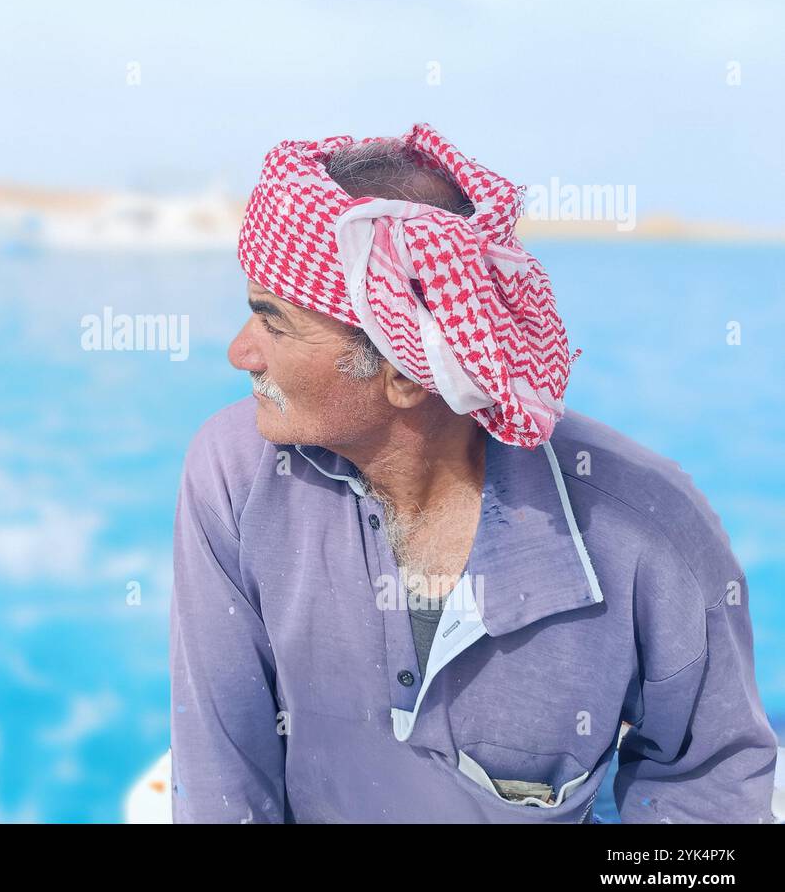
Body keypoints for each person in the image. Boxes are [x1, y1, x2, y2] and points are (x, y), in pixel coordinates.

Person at [169, 124, 778, 823]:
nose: (238, 352)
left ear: (401, 372)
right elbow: (225, 772)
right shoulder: (231, 473)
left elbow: (709, 780)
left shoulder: (645, 526)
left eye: (272, 323)